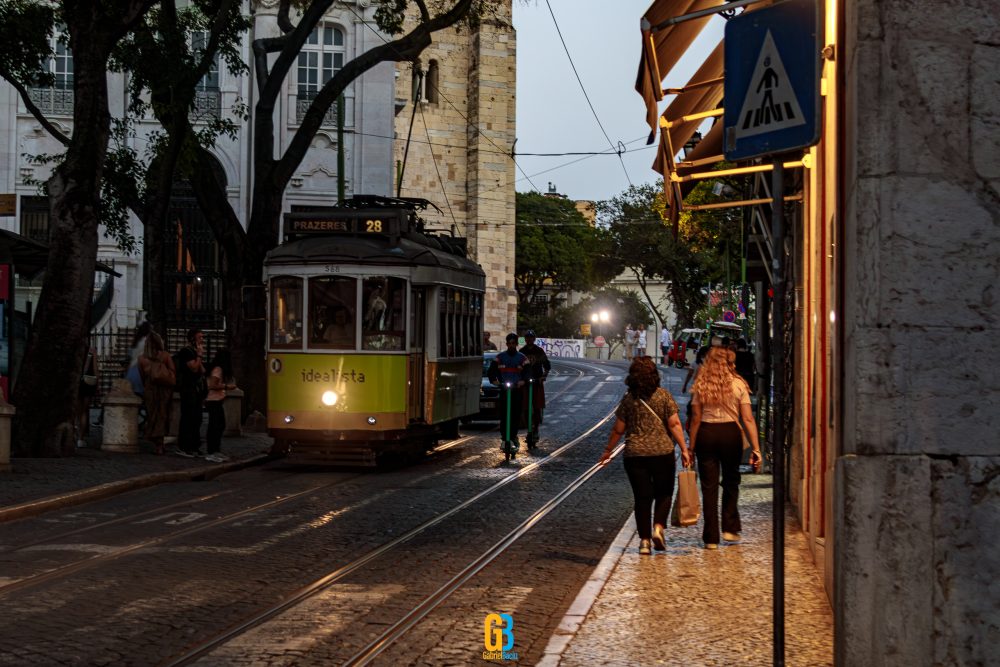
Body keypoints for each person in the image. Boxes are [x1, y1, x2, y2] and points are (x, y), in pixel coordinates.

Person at [599, 356, 692, 555]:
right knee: (664, 493)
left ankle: (644, 541)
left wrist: (608, 450)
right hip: (662, 453)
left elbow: (618, 429)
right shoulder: (664, 396)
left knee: (642, 498)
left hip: (635, 455)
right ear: (654, 375)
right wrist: (684, 450)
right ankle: (658, 527)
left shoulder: (628, 399)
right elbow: (675, 424)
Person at [689, 347, 762, 549]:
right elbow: (747, 418)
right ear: (730, 364)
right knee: (731, 481)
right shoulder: (739, 384)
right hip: (730, 434)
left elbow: (695, 418)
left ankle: (711, 538)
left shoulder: (701, 385)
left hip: (706, 433)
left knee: (708, 487)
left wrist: (691, 447)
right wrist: (756, 448)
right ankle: (729, 528)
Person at [487, 333, 529, 454]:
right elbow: (492, 371)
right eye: (509, 343)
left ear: (516, 344)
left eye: (513, 343)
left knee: (515, 415)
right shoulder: (500, 357)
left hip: (516, 390)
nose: (511, 345)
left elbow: (527, 372)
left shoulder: (522, 358)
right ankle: (504, 437)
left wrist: (523, 381)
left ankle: (513, 436)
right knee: (504, 415)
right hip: (505, 390)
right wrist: (494, 380)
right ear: (506, 344)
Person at [138, 332, 175, 455]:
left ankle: (154, 439)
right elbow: (172, 371)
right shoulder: (165, 356)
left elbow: (142, 376)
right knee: (162, 415)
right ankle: (160, 444)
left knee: (152, 415)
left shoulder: (141, 359)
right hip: (164, 390)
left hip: (150, 389)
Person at [175, 328, 207, 457]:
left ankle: (194, 445)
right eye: (200, 337)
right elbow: (193, 368)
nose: (202, 340)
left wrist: (199, 356)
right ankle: (184, 446)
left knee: (197, 418)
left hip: (197, 390)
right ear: (192, 338)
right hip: (188, 389)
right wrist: (198, 355)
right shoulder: (186, 352)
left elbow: (202, 370)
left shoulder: (194, 353)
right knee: (188, 417)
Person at [204, 348, 236, 463]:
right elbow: (212, 385)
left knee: (219, 425)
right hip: (213, 400)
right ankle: (212, 451)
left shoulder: (217, 369)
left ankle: (215, 449)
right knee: (215, 425)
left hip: (216, 400)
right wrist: (226, 387)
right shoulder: (218, 370)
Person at [519, 330, 551, 445]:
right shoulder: (522, 352)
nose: (529, 340)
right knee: (525, 407)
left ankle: (536, 428)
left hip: (537, 382)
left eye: (531, 337)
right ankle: (529, 429)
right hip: (526, 383)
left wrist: (543, 376)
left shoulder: (539, 351)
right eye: (527, 337)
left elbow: (547, 365)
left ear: (534, 339)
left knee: (537, 407)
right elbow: (519, 367)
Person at [77, 339, 100, 448]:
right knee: (84, 412)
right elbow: (95, 368)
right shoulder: (91, 350)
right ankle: (80, 439)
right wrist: (97, 383)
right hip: (88, 382)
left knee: (75, 411)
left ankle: (73, 435)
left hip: (77, 381)